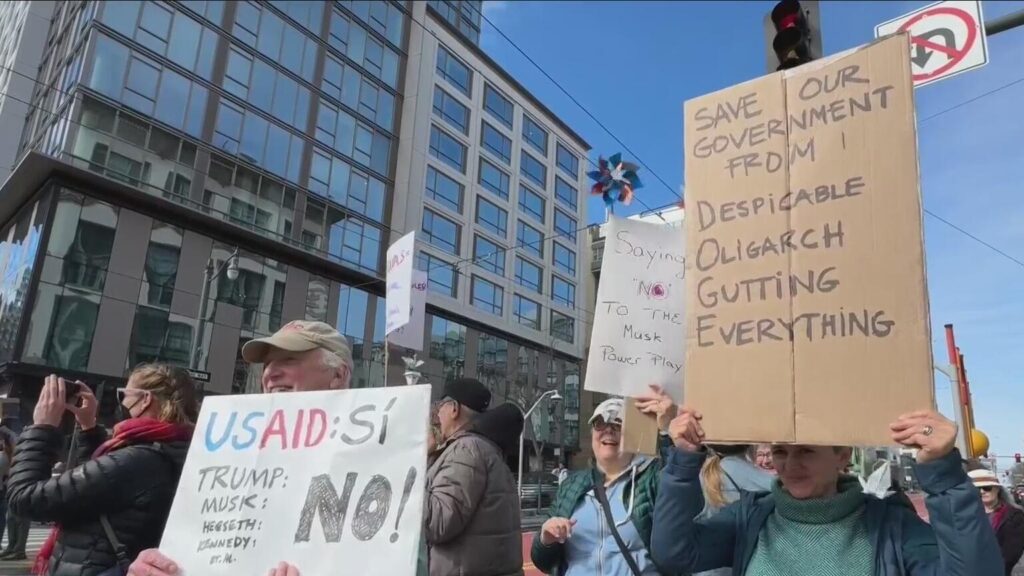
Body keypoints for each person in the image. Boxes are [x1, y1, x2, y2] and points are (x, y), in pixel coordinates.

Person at [651, 408, 1004, 576]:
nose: (789, 465)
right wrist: (683, 459)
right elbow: (674, 554)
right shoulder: (751, 516)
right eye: (781, 452)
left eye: (805, 451)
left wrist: (943, 472)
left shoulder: (889, 527)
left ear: (842, 456)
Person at [127, 320, 354, 576]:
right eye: (268, 364)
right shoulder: (223, 456)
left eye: (289, 359)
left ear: (338, 374)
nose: (270, 373)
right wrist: (151, 566)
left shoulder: (378, 460)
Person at [7, 365, 197, 576]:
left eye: (123, 395)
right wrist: (88, 428)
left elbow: (25, 497)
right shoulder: (176, 450)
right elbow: (97, 491)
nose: (121, 403)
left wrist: (42, 427)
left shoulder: (137, 460)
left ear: (145, 399)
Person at [531, 386, 677, 576]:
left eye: (617, 424)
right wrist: (546, 539)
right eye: (599, 423)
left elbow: (677, 476)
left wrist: (666, 430)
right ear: (592, 434)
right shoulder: (571, 486)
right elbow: (543, 561)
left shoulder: (651, 478)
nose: (608, 430)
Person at [424, 377, 521, 576]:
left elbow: (438, 521)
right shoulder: (485, 449)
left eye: (439, 406)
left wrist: (411, 470)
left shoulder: (466, 450)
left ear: (453, 408)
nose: (437, 414)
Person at [695, 444, 773, 576]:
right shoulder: (735, 468)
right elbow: (782, 489)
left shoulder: (707, 470)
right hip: (729, 565)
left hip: (707, 564)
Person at [970, 468, 1024, 575]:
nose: (982, 491)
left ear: (997, 489)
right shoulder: (967, 514)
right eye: (977, 489)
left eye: (987, 488)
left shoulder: (1013, 516)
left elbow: (1011, 554)